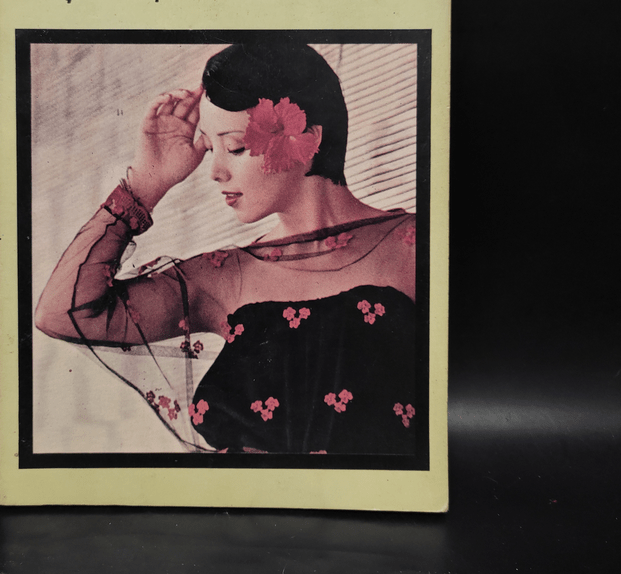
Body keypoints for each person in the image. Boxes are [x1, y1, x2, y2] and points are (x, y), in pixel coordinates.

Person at [35, 42, 417, 455]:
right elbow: (63, 314)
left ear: (307, 138)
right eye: (208, 148)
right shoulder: (222, 275)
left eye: (234, 147)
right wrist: (146, 182)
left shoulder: (415, 245)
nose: (215, 172)